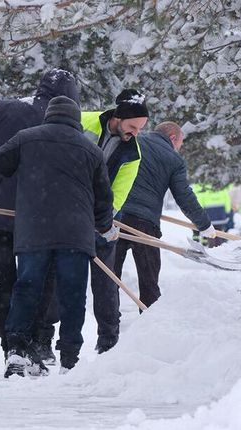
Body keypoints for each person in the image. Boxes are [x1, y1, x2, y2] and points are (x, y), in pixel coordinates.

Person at [0, 96, 116, 376]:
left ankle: (15, 350)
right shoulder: (91, 150)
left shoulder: (26, 139)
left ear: (48, 116)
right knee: (72, 295)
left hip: (34, 229)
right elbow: (103, 199)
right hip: (75, 234)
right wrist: (103, 226)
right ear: (75, 120)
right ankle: (70, 359)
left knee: (27, 289)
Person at [0, 69, 80, 364]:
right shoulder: (60, 121)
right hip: (38, 215)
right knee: (39, 281)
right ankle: (39, 341)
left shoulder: (6, 107)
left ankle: (11, 346)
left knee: (3, 281)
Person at [115, 122, 216, 308]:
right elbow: (184, 196)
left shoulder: (134, 142)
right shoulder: (173, 159)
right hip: (145, 223)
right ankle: (150, 323)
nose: (179, 148)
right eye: (180, 144)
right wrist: (204, 225)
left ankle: (109, 328)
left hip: (116, 215)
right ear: (172, 138)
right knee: (149, 281)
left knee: (110, 277)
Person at [80, 89, 149, 354]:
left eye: (141, 128)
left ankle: (108, 339)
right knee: (60, 273)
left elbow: (118, 196)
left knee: (105, 277)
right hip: (66, 207)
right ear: (118, 117)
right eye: (132, 126)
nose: (136, 133)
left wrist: (102, 221)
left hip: (103, 216)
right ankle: (47, 338)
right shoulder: (82, 121)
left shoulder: (133, 154)